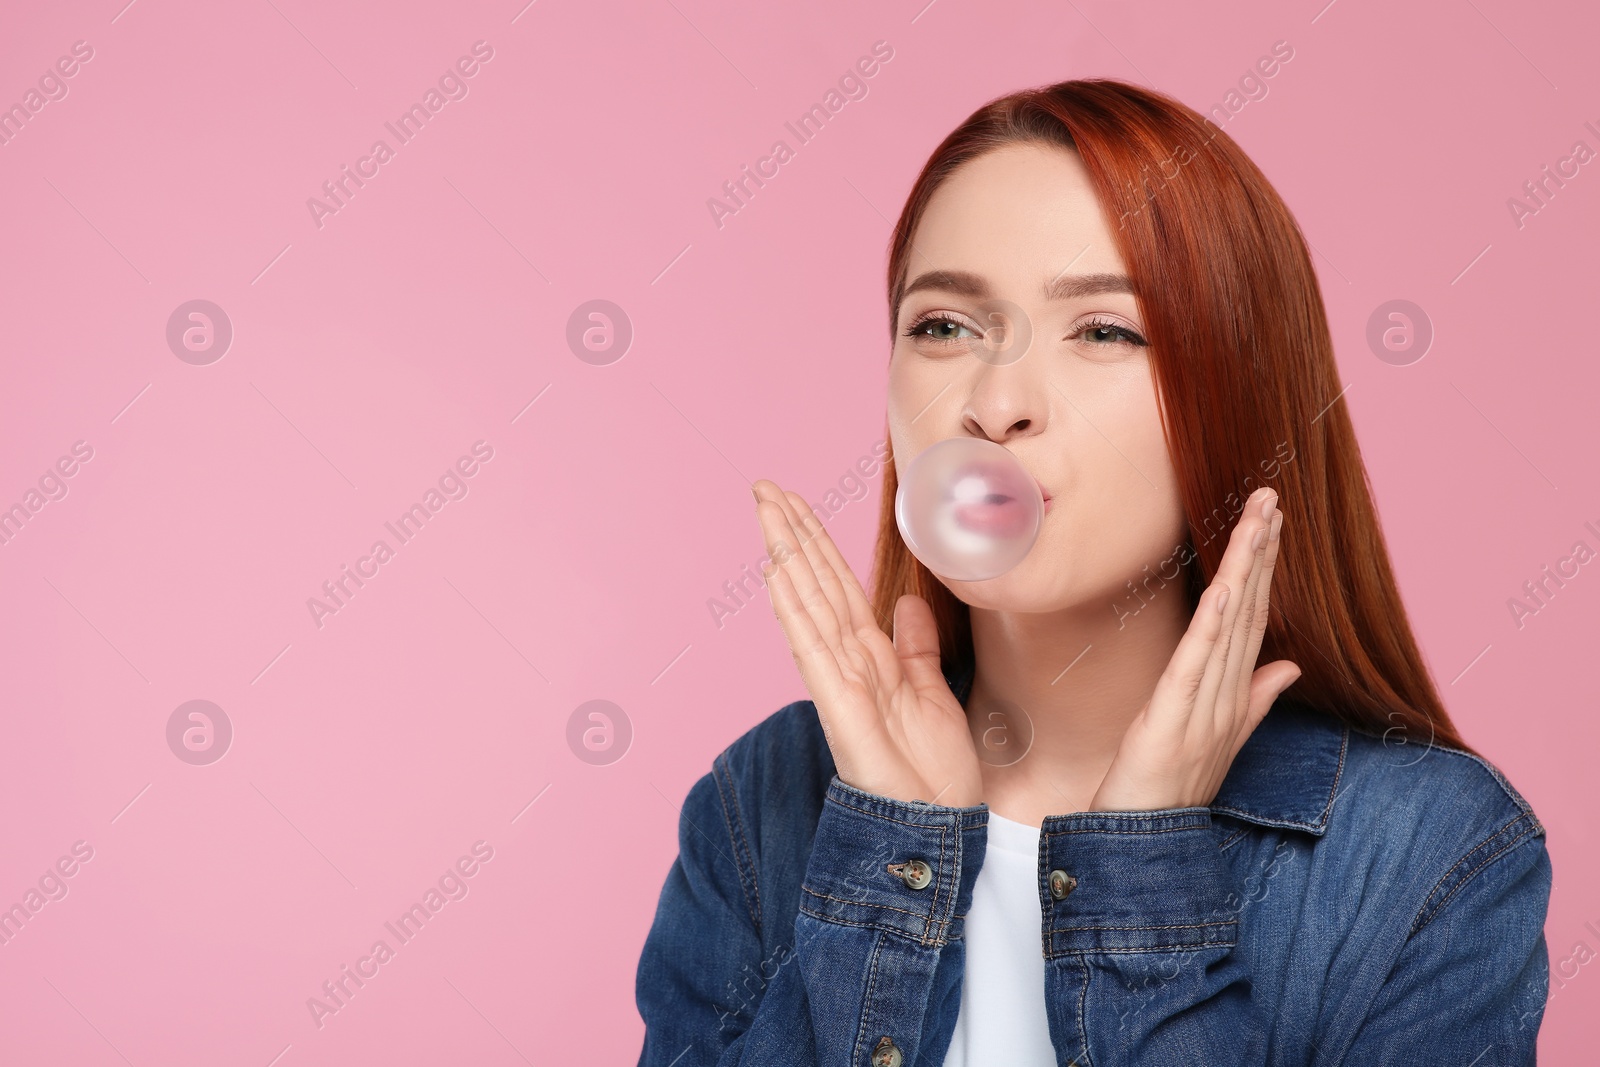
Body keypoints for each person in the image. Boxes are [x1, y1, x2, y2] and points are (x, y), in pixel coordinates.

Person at [634, 78, 1552, 1066]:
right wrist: (888, 845)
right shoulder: (762, 798)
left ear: (1234, 394)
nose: (994, 401)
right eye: (942, 325)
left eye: (1104, 331)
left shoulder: (1423, 852)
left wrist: (1145, 864)